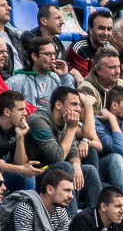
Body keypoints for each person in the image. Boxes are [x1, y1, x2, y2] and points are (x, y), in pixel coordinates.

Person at [25, 87, 102, 215]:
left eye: (79, 104)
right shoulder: (38, 120)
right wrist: (72, 128)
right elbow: (57, 156)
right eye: (74, 104)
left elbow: (72, 149)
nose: (78, 108)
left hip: (54, 168)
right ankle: (71, 218)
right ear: (58, 105)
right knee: (65, 166)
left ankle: (97, 219)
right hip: (36, 171)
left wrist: (77, 165)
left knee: (89, 171)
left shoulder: (66, 120)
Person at [0, 89, 42, 192]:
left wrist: (20, 137)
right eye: (21, 109)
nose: (25, 113)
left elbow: (19, 163)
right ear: (7, 112)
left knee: (27, 177)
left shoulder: (16, 127)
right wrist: (22, 170)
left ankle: (26, 207)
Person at [1, 169, 73, 231]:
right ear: (50, 190)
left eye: (71, 191)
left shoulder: (61, 211)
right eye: (67, 190)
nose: (71, 196)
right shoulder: (25, 206)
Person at [6, 37, 74, 110]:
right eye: (48, 54)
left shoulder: (56, 78)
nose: (53, 58)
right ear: (34, 56)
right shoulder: (17, 81)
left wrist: (64, 77)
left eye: (54, 54)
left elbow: (72, 101)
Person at [20, 4, 70, 73]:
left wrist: (74, 71)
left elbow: (63, 64)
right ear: (44, 21)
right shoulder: (29, 38)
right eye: (58, 18)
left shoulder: (57, 41)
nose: (62, 22)